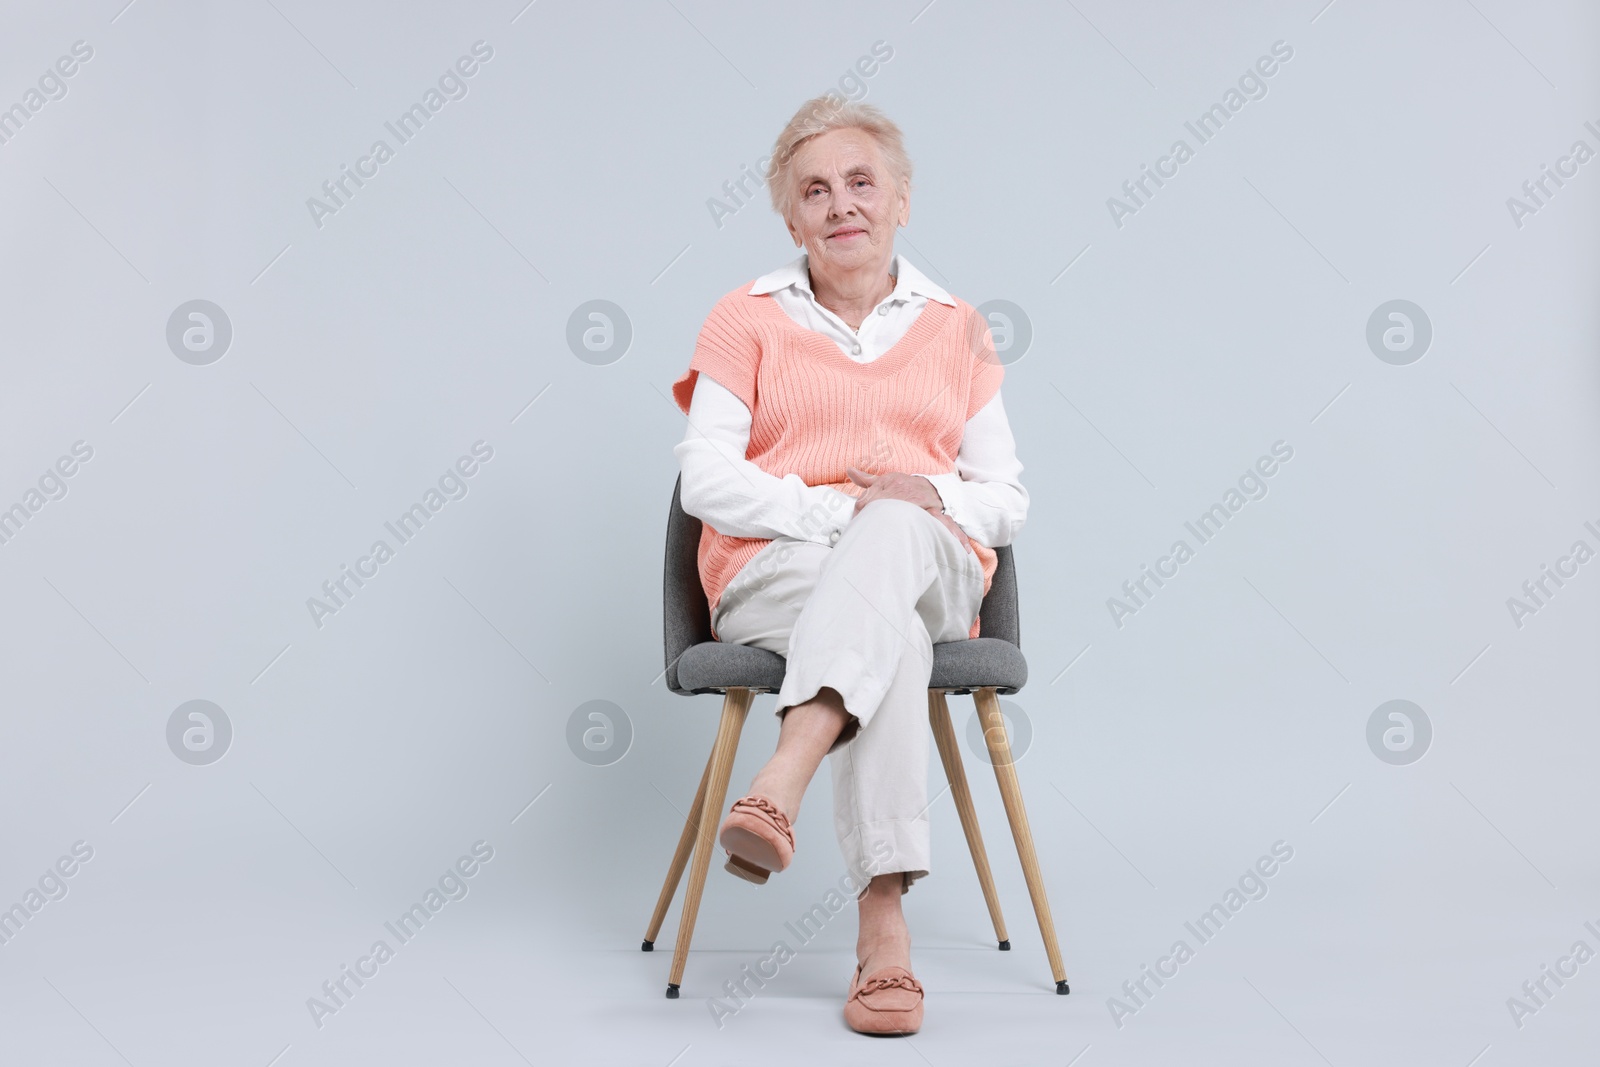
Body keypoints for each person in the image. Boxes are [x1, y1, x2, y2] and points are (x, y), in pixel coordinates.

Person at [670, 95, 1028, 1035]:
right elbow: (704, 477)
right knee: (893, 638)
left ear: (902, 199)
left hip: (931, 563)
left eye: (861, 183)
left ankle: (784, 770)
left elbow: (1005, 499)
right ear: (792, 218)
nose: (841, 205)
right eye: (816, 191)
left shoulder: (957, 328)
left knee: (903, 523)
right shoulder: (743, 318)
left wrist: (917, 498)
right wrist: (839, 512)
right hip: (778, 573)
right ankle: (885, 934)